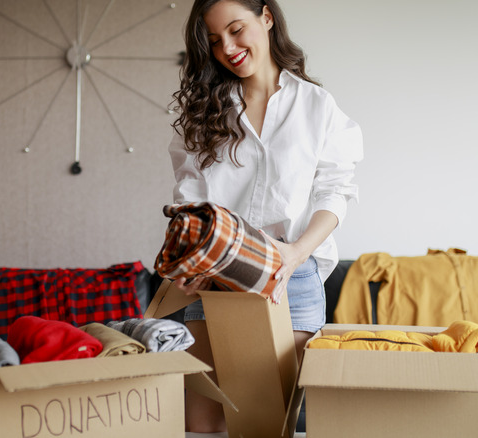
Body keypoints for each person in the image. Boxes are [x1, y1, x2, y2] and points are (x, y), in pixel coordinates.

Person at [167, 0, 363, 432]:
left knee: (267, 426)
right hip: (218, 278)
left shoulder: (316, 106)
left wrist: (294, 253)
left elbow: (335, 193)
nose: (228, 48)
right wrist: (190, 262)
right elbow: (190, 202)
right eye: (215, 41)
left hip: (292, 279)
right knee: (200, 424)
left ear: (267, 17)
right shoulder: (203, 111)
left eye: (237, 30)